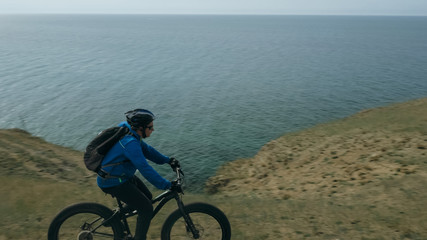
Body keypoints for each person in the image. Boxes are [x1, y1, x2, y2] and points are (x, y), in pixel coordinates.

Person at [97, 109, 180, 240]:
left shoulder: (130, 130)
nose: (153, 130)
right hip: (112, 182)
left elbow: (147, 150)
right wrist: (166, 185)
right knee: (146, 209)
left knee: (147, 196)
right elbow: (145, 168)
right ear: (141, 128)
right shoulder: (130, 143)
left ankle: (113, 219)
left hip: (120, 176)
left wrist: (168, 160)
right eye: (150, 127)